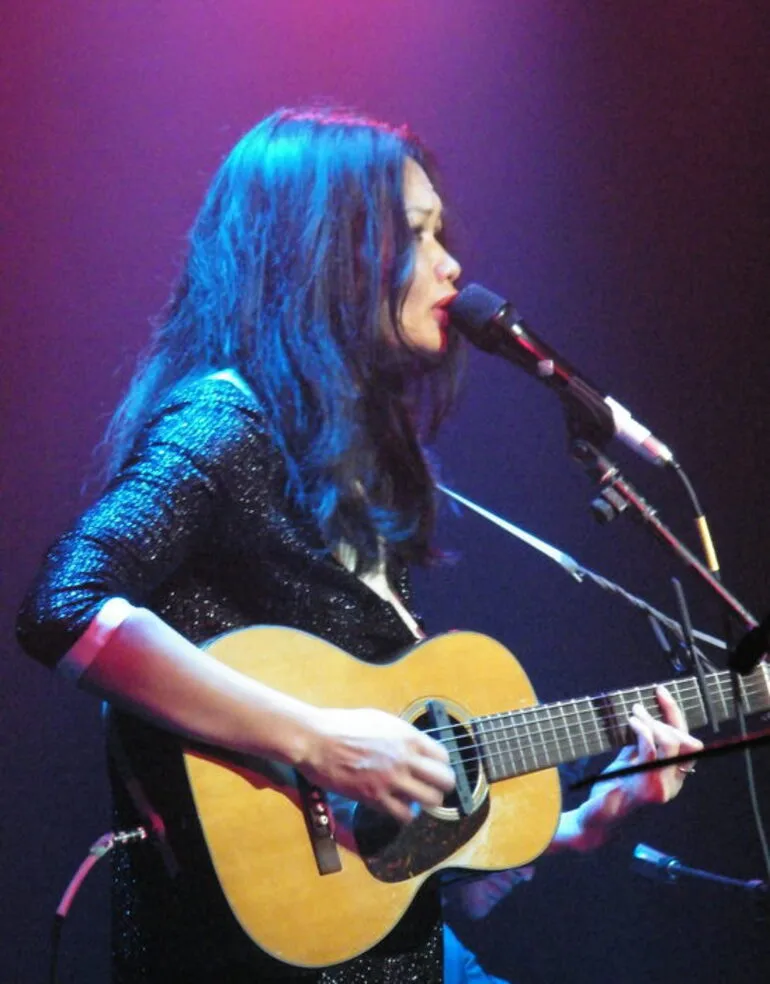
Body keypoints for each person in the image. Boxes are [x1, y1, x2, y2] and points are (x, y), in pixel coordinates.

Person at [16, 107, 701, 984]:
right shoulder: (222, 422)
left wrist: (586, 821)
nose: (453, 263)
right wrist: (318, 741)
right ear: (325, 251)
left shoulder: (358, 462)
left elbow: (394, 857)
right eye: (415, 234)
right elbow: (65, 605)